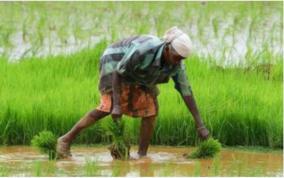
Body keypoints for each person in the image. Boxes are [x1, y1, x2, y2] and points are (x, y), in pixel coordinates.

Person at [56, 26, 210, 159]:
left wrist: (200, 125)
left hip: (142, 72)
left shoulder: (177, 65)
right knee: (109, 106)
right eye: (176, 57)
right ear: (168, 48)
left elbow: (186, 91)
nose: (178, 61)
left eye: (182, 59)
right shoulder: (144, 50)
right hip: (114, 62)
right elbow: (118, 73)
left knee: (151, 110)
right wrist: (117, 105)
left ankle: (142, 155)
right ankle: (65, 140)